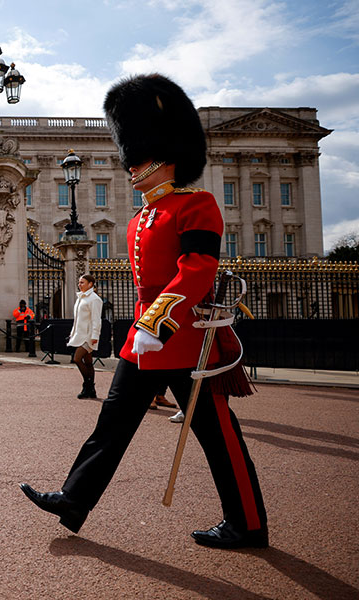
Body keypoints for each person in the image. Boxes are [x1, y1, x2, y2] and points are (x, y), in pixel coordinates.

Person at [19, 73, 267, 550]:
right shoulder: (140, 217)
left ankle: (249, 523)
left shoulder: (197, 205)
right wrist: (144, 327)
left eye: (139, 160)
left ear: (166, 159)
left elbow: (197, 269)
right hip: (144, 339)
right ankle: (74, 500)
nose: (130, 169)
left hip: (187, 338)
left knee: (220, 437)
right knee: (111, 422)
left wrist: (160, 320)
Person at [66, 274, 103, 399]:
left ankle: (87, 386)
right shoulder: (81, 298)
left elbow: (96, 319)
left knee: (77, 358)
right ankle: (91, 390)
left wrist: (94, 335)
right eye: (79, 282)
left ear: (90, 284)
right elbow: (77, 319)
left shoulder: (95, 299)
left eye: (82, 282)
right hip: (80, 334)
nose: (79, 284)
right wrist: (72, 333)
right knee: (88, 362)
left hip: (88, 336)